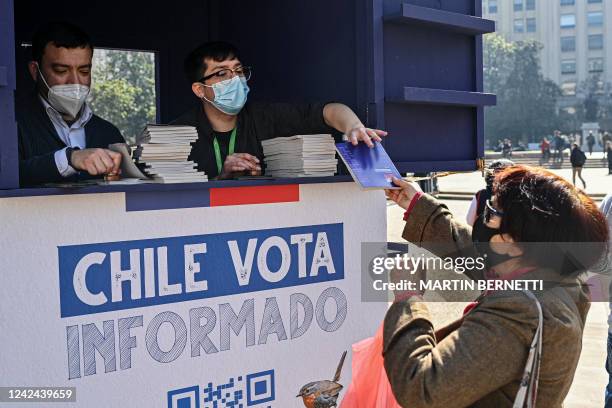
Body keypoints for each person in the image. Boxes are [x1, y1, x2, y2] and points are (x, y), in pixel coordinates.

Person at [383, 165, 608, 407]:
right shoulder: (555, 274)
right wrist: (418, 205)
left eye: (492, 213)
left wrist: (409, 298)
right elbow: (477, 253)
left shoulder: (519, 312)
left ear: (511, 242)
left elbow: (421, 388)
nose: (484, 217)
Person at [173, 41, 386, 179]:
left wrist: (354, 126)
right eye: (221, 74)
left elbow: (329, 111)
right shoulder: (176, 135)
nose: (234, 79)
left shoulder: (264, 116)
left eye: (238, 71)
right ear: (199, 89)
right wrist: (222, 178)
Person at [16, 22, 125, 187]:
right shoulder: (12, 126)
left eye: (84, 71)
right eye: (61, 70)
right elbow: (9, 175)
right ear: (35, 71)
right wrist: (69, 159)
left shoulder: (109, 133)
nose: (75, 82)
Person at [466, 159, 514, 226]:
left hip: (486, 235)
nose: (501, 176)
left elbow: (469, 221)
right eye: (498, 172)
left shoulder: (481, 194)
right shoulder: (520, 195)